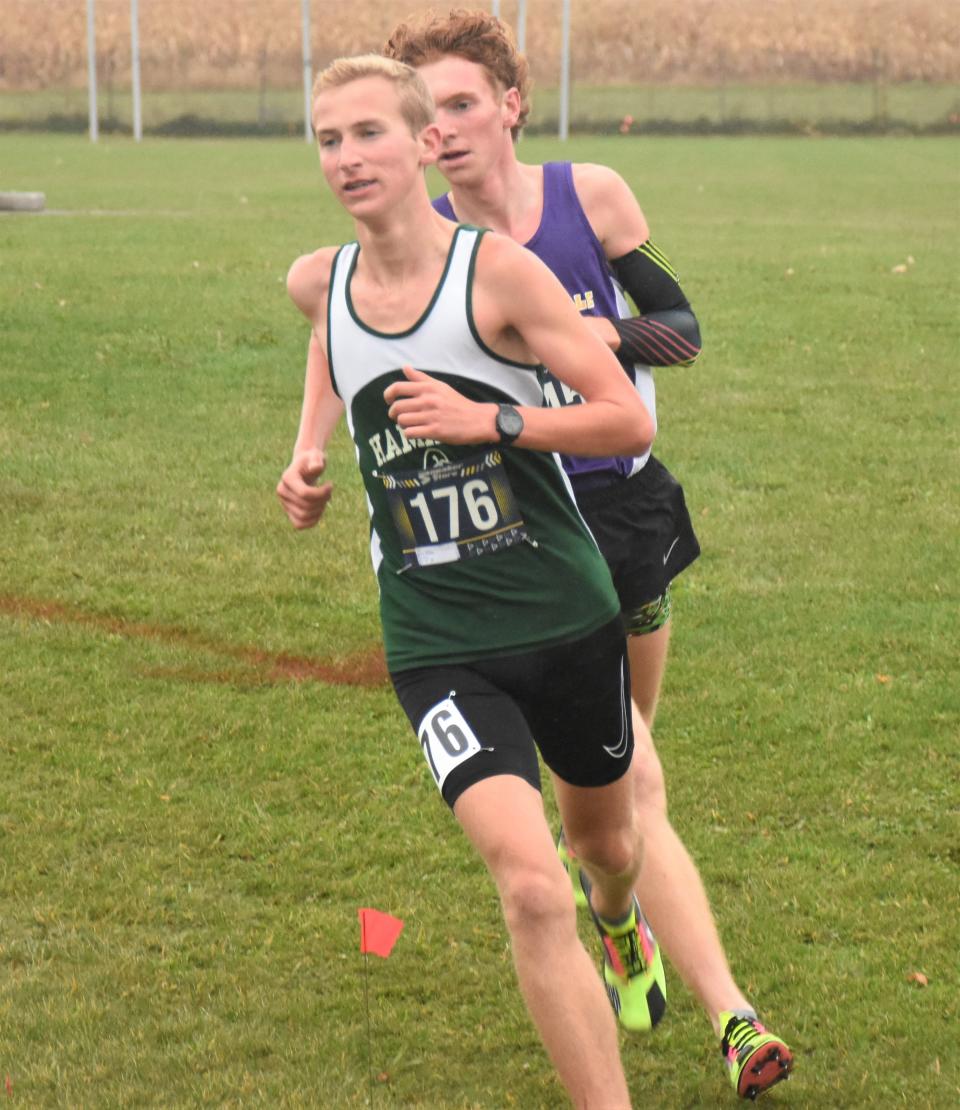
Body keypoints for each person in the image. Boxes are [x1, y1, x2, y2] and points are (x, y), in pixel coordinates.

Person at [383, 9, 793, 1101]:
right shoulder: (420, 241)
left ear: (512, 104)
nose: (445, 130)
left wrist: (584, 331)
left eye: (464, 103)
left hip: (625, 513)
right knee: (630, 789)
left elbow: (685, 328)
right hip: (522, 543)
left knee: (618, 799)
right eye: (426, 114)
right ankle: (734, 1018)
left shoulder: (589, 196)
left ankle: (618, 916)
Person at [277, 53, 663, 1106]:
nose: (347, 158)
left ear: (422, 144)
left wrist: (493, 419)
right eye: (327, 139)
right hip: (436, 639)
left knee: (604, 846)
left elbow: (625, 415)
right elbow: (331, 336)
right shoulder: (326, 279)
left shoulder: (494, 275)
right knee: (533, 889)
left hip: (565, 614)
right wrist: (307, 453)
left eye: (367, 134)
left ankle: (623, 922)